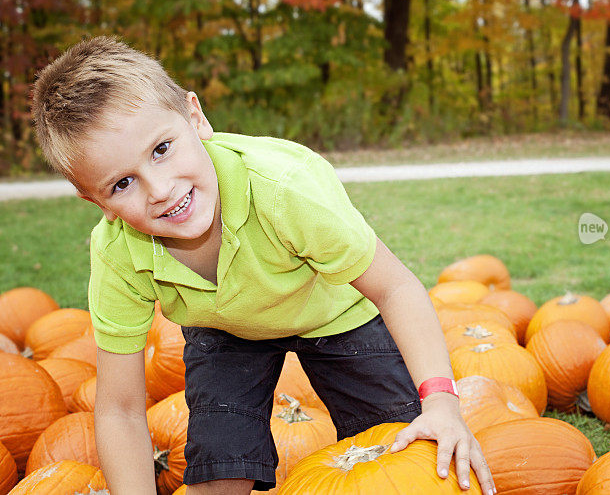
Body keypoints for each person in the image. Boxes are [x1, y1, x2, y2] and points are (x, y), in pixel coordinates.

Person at [31, 36, 496, 495]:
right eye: (122, 183)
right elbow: (120, 409)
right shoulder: (118, 252)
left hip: (336, 311)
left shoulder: (283, 190)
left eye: (162, 149)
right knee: (218, 466)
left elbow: (396, 288)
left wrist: (440, 401)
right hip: (226, 331)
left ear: (195, 118)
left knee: (404, 451)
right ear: (96, 200)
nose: (159, 189)